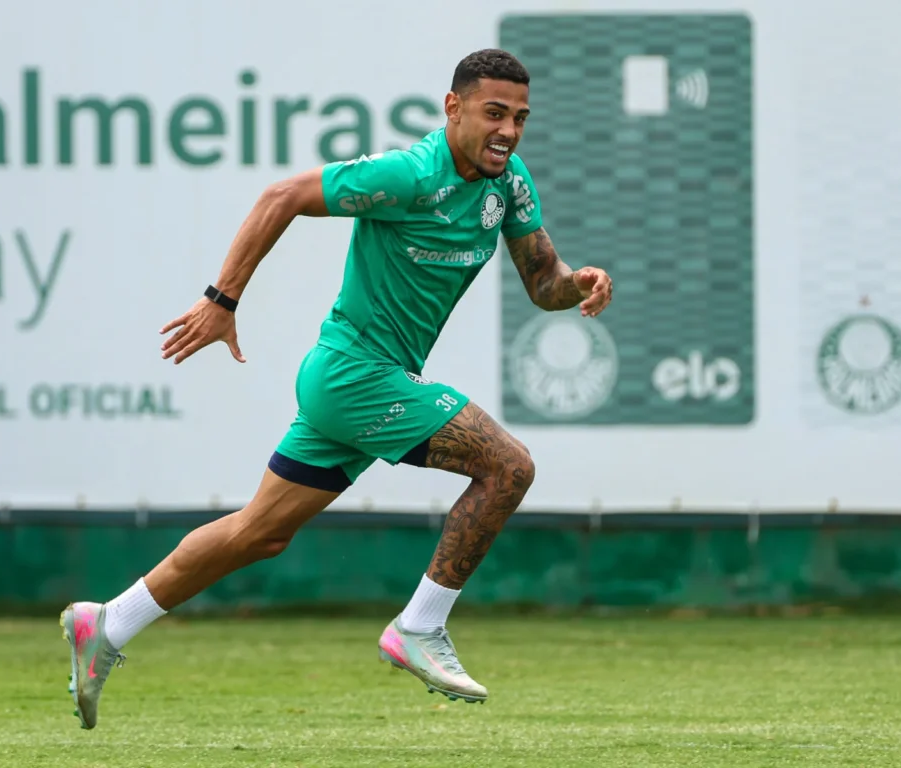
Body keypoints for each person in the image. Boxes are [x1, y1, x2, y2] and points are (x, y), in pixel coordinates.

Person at [58, 48, 613, 730]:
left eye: (520, 118)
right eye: (493, 113)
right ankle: (419, 627)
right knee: (508, 466)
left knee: (257, 535)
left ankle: (107, 624)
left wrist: (577, 286)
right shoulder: (410, 175)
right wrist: (221, 300)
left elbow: (542, 279)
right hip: (355, 377)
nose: (508, 130)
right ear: (453, 108)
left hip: (358, 384)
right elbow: (281, 196)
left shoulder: (509, 183)